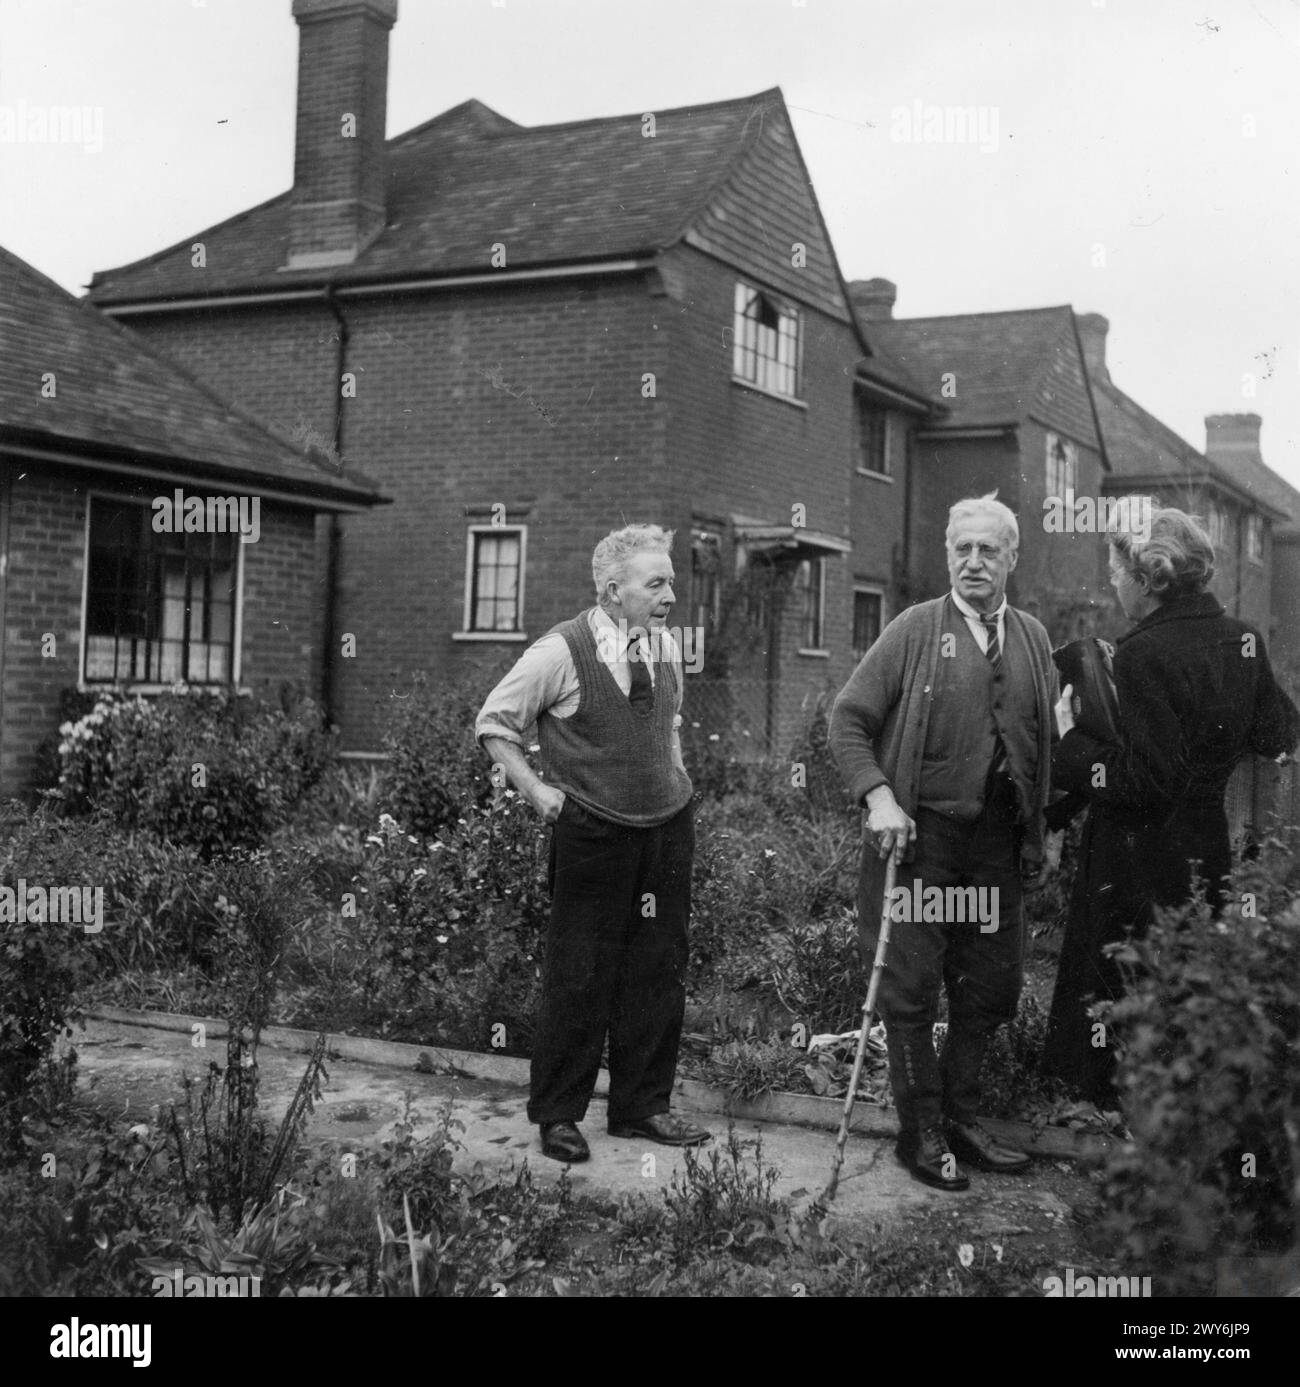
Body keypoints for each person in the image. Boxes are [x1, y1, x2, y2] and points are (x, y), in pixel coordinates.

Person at [829, 493, 1059, 1191]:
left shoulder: (1031, 638)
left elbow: (1042, 741)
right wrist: (879, 797)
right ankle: (919, 1133)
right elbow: (847, 721)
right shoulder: (913, 629)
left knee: (989, 984)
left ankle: (962, 1117)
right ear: (948, 555)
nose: (974, 562)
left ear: (1012, 557)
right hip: (920, 842)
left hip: (996, 844)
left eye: (989, 549)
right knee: (911, 985)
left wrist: (1042, 829)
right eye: (963, 549)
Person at [1042, 503, 1299, 1104]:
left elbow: (1142, 780)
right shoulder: (1243, 639)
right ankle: (1177, 1110)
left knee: (1118, 984)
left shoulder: (1143, 653)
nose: (1112, 580)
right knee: (1185, 979)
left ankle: (1106, 1113)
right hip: (1204, 848)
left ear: (1150, 577)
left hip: (1134, 857)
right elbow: (1277, 735)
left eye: (1116, 570)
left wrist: (1074, 742)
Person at [475, 524, 711, 1163]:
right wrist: (538, 792)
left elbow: (668, 727)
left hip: (665, 831)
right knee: (580, 973)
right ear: (613, 590)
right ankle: (558, 1115)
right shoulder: (560, 651)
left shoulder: (664, 648)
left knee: (657, 971)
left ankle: (642, 1108)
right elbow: (495, 723)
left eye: (670, 582)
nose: (668, 595)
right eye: (655, 583)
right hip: (594, 834)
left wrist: (680, 782)